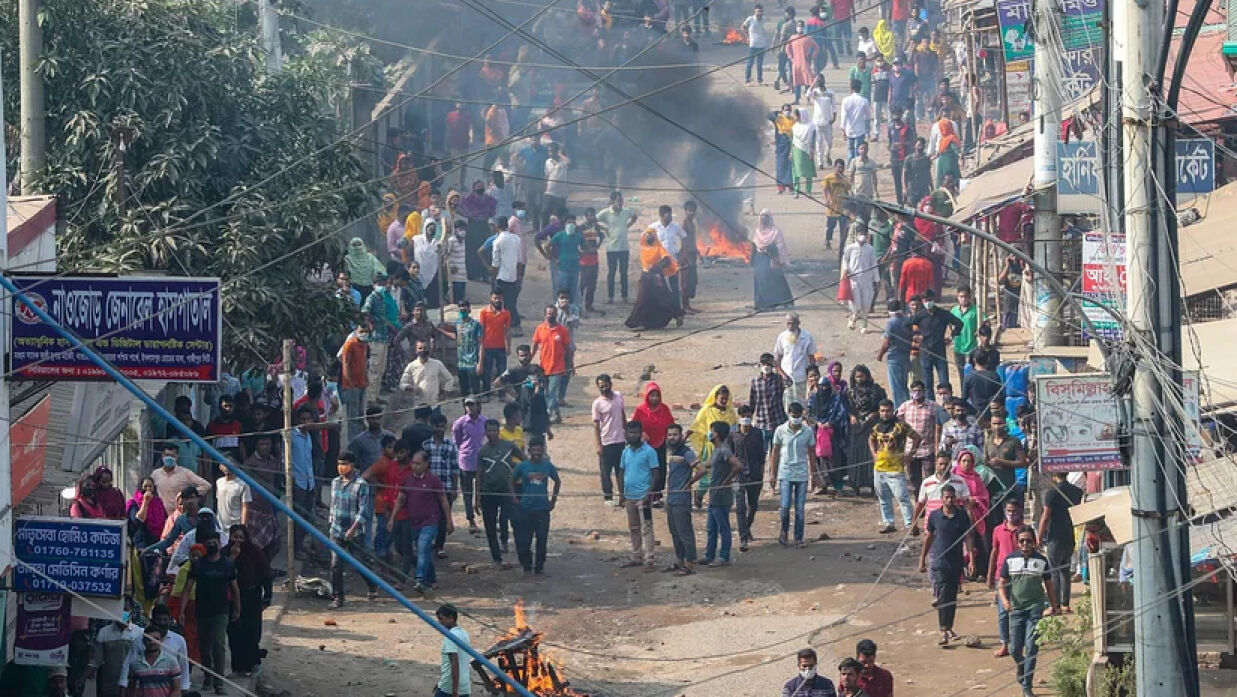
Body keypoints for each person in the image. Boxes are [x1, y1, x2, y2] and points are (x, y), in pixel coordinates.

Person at [999, 527, 1060, 696]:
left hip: (1035, 609)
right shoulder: (1010, 560)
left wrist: (1054, 606)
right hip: (1016, 609)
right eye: (1022, 541)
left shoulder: (1042, 561)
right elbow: (1001, 583)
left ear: (1034, 541)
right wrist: (1004, 601)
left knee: (1032, 647)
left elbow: (1049, 585)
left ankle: (1027, 685)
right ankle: (1021, 665)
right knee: (1014, 649)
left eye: (1028, 540)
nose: (1025, 544)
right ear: (1017, 542)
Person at [180, 532, 239, 695]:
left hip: (221, 611)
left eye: (215, 542)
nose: (212, 545)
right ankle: (208, 676)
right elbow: (187, 588)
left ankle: (218, 682)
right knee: (204, 649)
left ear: (220, 545)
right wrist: (182, 610)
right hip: (202, 612)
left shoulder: (227, 565)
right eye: (209, 543)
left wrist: (237, 609)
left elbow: (235, 589)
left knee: (218, 646)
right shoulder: (198, 565)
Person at [389, 448, 453, 592]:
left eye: (418, 463)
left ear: (426, 464)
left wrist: (449, 521)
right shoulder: (408, 480)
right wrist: (392, 518)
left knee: (423, 547)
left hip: (430, 521)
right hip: (414, 522)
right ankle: (432, 579)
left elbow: (443, 501)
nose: (414, 466)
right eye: (413, 463)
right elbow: (400, 500)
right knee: (422, 551)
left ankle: (420, 580)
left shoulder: (433, 480)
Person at [917, 484, 973, 646]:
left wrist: (971, 560)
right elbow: (929, 538)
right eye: (946, 497)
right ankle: (943, 630)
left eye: (952, 497)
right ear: (941, 499)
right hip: (940, 562)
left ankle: (949, 627)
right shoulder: (935, 516)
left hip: (956, 562)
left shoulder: (962, 516)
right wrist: (922, 559)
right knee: (942, 596)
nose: (949, 500)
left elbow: (968, 537)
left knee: (952, 596)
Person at [326, 452, 376, 608]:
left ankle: (372, 584)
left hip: (355, 532)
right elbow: (333, 505)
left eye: (345, 463)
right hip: (336, 530)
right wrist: (331, 522)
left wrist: (353, 529)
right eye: (339, 463)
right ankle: (338, 597)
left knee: (358, 563)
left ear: (352, 465)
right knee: (335, 564)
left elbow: (363, 511)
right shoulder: (335, 482)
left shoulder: (361, 484)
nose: (341, 467)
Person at [222, 524, 272, 676]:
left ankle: (255, 663)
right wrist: (232, 557)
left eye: (241, 538)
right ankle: (238, 668)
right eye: (235, 537)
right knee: (234, 632)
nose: (238, 541)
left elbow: (265, 575)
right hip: (231, 598)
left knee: (250, 631)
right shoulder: (224, 553)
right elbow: (222, 572)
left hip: (251, 597)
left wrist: (267, 596)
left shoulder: (255, 553)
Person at [510, 435, 561, 575]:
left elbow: (557, 481)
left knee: (542, 540)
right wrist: (515, 498)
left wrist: (553, 501)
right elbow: (512, 481)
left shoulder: (548, 466)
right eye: (534, 450)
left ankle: (539, 566)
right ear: (529, 451)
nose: (537, 453)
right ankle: (526, 565)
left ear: (543, 450)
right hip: (526, 509)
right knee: (524, 541)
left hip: (543, 509)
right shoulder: (522, 466)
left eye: (539, 450)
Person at [870, 399, 922, 534]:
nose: (885, 414)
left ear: (893, 411)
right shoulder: (877, 427)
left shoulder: (901, 426)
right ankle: (889, 523)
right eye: (882, 411)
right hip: (879, 468)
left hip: (896, 469)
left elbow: (917, 437)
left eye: (887, 411)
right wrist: (874, 454)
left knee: (902, 497)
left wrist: (910, 455)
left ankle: (910, 524)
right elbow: (871, 439)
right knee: (883, 498)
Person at [769, 402, 817, 547]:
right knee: (784, 507)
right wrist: (773, 474)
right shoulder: (780, 430)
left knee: (800, 510)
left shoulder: (807, 431)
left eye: (798, 416)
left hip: (802, 474)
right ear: (789, 414)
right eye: (793, 416)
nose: (796, 419)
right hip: (785, 473)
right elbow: (775, 452)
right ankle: (783, 533)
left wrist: (814, 474)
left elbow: (812, 453)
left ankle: (798, 537)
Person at [1038, 471, 1084, 612]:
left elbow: (1045, 516)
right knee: (1065, 570)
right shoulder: (1077, 491)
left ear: (1054, 476)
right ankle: (1065, 604)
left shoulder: (1051, 493)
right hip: (1070, 534)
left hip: (1055, 536)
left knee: (1054, 570)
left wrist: (1039, 536)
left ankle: (1055, 604)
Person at [477, 420, 518, 568]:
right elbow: (479, 475)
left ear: (498, 431)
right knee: (490, 525)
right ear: (486, 432)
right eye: (489, 431)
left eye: (495, 430)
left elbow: (524, 460)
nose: (492, 433)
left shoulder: (509, 446)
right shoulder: (482, 451)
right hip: (488, 492)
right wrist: (477, 497)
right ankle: (496, 557)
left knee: (510, 518)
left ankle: (509, 544)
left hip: (506, 490)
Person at [619, 420, 660, 570]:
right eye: (630, 432)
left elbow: (656, 472)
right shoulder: (625, 451)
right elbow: (621, 471)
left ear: (641, 433)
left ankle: (649, 559)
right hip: (629, 496)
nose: (633, 435)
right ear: (626, 434)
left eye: (636, 432)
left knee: (647, 527)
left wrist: (649, 493)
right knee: (633, 528)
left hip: (644, 497)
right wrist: (621, 492)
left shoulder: (649, 451)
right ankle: (636, 556)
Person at [702, 421, 743, 567]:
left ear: (717, 433)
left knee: (723, 527)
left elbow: (738, 465)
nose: (709, 433)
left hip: (721, 495)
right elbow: (709, 464)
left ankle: (724, 557)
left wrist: (726, 481)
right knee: (711, 528)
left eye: (711, 431)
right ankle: (709, 555)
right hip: (714, 495)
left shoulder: (724, 450)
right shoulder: (716, 450)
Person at [664, 424, 703, 574]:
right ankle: (679, 561)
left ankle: (690, 563)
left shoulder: (687, 453)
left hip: (682, 499)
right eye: (669, 435)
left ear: (681, 436)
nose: (672, 437)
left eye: (675, 435)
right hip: (671, 498)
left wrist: (690, 483)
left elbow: (701, 470)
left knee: (684, 532)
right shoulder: (672, 452)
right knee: (674, 531)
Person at [626, 231, 685, 329]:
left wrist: (657, 267)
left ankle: (678, 316)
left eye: (651, 235)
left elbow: (666, 260)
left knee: (664, 298)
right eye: (647, 235)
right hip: (645, 277)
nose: (648, 237)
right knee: (643, 299)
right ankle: (639, 321)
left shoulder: (659, 248)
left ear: (654, 237)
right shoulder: (643, 249)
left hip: (656, 277)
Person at [911, 289, 964, 395]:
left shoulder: (943, 314)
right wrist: (915, 336)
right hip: (925, 352)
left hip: (940, 352)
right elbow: (905, 325)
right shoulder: (920, 315)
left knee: (944, 382)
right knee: (927, 383)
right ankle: (931, 405)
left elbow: (959, 323)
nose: (927, 302)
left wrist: (951, 336)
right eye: (925, 300)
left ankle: (947, 403)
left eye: (929, 300)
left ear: (933, 300)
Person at [989, 498, 1024, 658]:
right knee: (1003, 611)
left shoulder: (1025, 530)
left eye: (1014, 511)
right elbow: (994, 552)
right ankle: (1004, 644)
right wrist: (990, 575)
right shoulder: (997, 530)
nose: (1011, 514)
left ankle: (1018, 643)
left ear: (1020, 512)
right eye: (1009, 511)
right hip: (1001, 576)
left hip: (1021, 576)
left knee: (1019, 611)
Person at [897, 380, 944, 495]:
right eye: (914, 391)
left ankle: (930, 502)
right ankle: (918, 502)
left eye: (919, 390)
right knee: (913, 479)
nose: (917, 393)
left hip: (928, 448)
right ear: (911, 392)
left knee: (930, 478)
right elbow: (897, 421)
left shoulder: (933, 406)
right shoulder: (905, 406)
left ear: (924, 391)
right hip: (911, 450)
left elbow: (941, 423)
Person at [632, 381, 676, 504]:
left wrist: (670, 438)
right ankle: (645, 494)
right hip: (645, 445)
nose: (655, 398)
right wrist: (641, 435)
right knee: (646, 469)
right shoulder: (640, 410)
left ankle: (657, 495)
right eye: (652, 395)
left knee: (660, 469)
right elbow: (634, 425)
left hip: (660, 443)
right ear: (647, 396)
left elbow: (671, 424)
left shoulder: (664, 409)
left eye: (657, 395)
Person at [452, 397, 488, 535]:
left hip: (481, 462)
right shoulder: (459, 423)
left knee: (483, 490)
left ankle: (486, 517)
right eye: (468, 405)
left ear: (478, 405)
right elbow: (457, 440)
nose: (470, 408)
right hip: (466, 461)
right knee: (467, 493)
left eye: (473, 405)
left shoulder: (484, 422)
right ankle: (471, 520)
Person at [592, 374, 628, 506]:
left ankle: (623, 496)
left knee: (621, 470)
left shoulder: (619, 396)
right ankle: (608, 496)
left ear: (610, 384)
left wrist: (627, 433)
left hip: (620, 440)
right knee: (605, 472)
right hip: (606, 441)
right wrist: (598, 444)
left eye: (606, 385)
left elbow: (622, 414)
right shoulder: (597, 404)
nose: (604, 389)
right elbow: (596, 425)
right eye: (601, 387)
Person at [532, 305, 572, 422]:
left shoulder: (563, 331)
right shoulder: (540, 329)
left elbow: (568, 350)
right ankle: (558, 415)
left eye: (553, 314)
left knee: (551, 392)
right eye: (549, 314)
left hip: (558, 368)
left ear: (556, 315)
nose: (551, 316)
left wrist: (570, 365)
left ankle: (548, 413)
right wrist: (529, 360)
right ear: (545, 315)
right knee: (545, 392)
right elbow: (534, 346)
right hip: (544, 367)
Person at [597, 190, 638, 304]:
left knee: (624, 273)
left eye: (621, 200)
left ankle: (624, 296)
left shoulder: (626, 211)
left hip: (624, 247)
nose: (620, 203)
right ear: (612, 201)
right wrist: (604, 228)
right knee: (611, 273)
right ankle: (610, 297)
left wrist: (627, 226)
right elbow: (595, 220)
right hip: (612, 247)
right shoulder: (606, 213)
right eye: (618, 200)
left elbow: (634, 217)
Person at [88, 616, 142, 697]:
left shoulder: (139, 632)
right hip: (108, 685)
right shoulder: (104, 632)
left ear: (131, 612)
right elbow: (96, 659)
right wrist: (84, 676)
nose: (123, 614)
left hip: (131, 686)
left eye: (126, 610)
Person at [120, 627, 182, 697]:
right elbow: (131, 690)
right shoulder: (135, 663)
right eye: (148, 639)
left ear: (161, 640)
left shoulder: (171, 661)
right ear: (143, 641)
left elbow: (176, 691)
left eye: (156, 639)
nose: (152, 642)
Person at [752, 210, 795, 310]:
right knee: (761, 280)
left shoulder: (775, 231)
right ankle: (763, 303)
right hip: (760, 259)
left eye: (765, 219)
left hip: (773, 259)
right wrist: (759, 249)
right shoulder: (758, 231)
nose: (763, 222)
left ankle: (783, 301)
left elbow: (780, 245)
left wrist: (770, 248)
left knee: (776, 280)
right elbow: (756, 244)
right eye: (761, 219)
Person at [151, 445, 211, 514]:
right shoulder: (155, 474)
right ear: (162, 455)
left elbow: (207, 486)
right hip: (160, 515)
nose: (169, 458)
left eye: (172, 456)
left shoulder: (185, 473)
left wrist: (188, 494)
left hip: (179, 514)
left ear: (177, 456)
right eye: (167, 455)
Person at [841, 222, 878, 333]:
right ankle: (853, 318)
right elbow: (845, 261)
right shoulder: (850, 248)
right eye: (860, 233)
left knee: (866, 303)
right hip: (854, 280)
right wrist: (846, 270)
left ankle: (864, 325)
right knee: (856, 303)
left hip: (867, 280)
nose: (862, 236)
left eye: (864, 234)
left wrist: (877, 279)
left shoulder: (870, 249)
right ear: (857, 235)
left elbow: (874, 264)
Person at [750, 352, 788, 446]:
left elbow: (789, 382)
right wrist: (750, 419)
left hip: (778, 421)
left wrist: (778, 368)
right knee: (762, 453)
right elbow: (752, 402)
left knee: (778, 453)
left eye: (769, 364)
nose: (766, 367)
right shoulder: (755, 381)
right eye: (764, 364)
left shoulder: (778, 379)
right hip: (762, 423)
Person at [435, 604, 471, 697]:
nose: (439, 622)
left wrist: (455, 691)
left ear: (451, 618)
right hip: (464, 686)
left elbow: (454, 663)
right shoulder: (464, 633)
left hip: (450, 688)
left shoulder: (451, 636)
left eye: (441, 619)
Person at [807, 75, 837, 168]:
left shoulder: (830, 93)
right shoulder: (815, 92)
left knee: (829, 142)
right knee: (818, 142)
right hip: (817, 121)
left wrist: (834, 117)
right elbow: (807, 95)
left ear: (824, 80)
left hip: (828, 121)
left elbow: (834, 106)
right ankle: (820, 163)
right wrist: (813, 83)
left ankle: (827, 155)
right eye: (818, 80)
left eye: (820, 80)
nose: (819, 81)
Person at [821, 160, 851, 252]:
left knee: (843, 228)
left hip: (843, 208)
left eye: (842, 168)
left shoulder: (845, 179)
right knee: (830, 227)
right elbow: (825, 190)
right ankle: (827, 241)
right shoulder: (828, 178)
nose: (840, 170)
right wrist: (827, 200)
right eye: (838, 167)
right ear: (835, 167)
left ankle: (842, 244)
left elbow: (848, 191)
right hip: (832, 208)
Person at [786, 25, 819, 105]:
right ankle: (797, 99)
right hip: (796, 64)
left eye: (801, 26)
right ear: (796, 28)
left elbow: (816, 47)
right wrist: (791, 58)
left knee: (808, 82)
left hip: (805, 63)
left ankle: (808, 99)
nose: (799, 28)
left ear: (804, 28)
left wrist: (812, 56)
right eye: (798, 26)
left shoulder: (808, 38)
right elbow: (787, 48)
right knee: (797, 82)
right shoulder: (792, 38)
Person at [839, 78, 871, 162]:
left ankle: (850, 167)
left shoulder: (845, 100)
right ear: (860, 88)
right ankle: (857, 167)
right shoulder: (864, 101)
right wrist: (868, 130)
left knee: (850, 150)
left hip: (849, 129)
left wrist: (843, 129)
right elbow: (868, 116)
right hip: (860, 130)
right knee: (859, 150)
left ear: (851, 88)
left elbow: (844, 116)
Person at [213, 463, 251, 530]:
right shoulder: (219, 482)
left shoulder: (243, 484)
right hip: (220, 525)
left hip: (235, 526)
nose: (227, 467)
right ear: (220, 467)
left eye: (230, 464)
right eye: (225, 464)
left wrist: (243, 527)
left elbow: (245, 507)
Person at [790, 108, 817, 198]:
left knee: (808, 172)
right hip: (796, 150)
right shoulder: (795, 127)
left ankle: (808, 191)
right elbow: (793, 140)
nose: (795, 117)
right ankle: (796, 191)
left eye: (796, 115)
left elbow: (813, 140)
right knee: (796, 172)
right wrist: (791, 152)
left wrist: (812, 151)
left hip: (807, 151)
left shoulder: (811, 127)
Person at [769, 104, 795, 194]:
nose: (787, 111)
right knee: (780, 166)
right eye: (785, 110)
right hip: (781, 144)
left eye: (788, 110)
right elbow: (768, 115)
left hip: (791, 143)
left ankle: (791, 187)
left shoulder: (793, 120)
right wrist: (777, 113)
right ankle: (780, 188)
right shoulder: (778, 119)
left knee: (790, 166)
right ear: (782, 110)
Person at [741, 4, 770, 85]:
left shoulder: (764, 19)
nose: (759, 13)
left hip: (762, 44)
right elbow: (743, 27)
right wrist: (747, 37)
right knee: (750, 63)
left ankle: (760, 80)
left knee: (760, 64)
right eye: (758, 11)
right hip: (753, 44)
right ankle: (747, 79)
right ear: (755, 11)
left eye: (761, 11)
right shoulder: (750, 19)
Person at [902, 137, 933, 207]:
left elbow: (928, 174)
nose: (920, 147)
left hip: (924, 188)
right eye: (919, 145)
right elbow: (904, 174)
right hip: (912, 188)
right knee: (912, 209)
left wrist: (932, 187)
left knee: (926, 207)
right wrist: (904, 188)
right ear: (915, 145)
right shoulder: (909, 159)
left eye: (922, 145)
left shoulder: (926, 159)